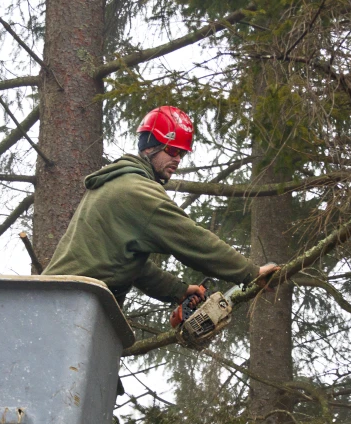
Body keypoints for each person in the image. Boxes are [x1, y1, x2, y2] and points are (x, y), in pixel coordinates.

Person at [42, 105, 278, 308]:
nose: (177, 159)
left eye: (182, 153)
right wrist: (251, 273)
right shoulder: (136, 191)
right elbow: (191, 239)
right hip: (68, 301)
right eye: (172, 150)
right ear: (149, 147)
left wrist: (178, 289)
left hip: (62, 299)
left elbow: (129, 266)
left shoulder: (117, 184)